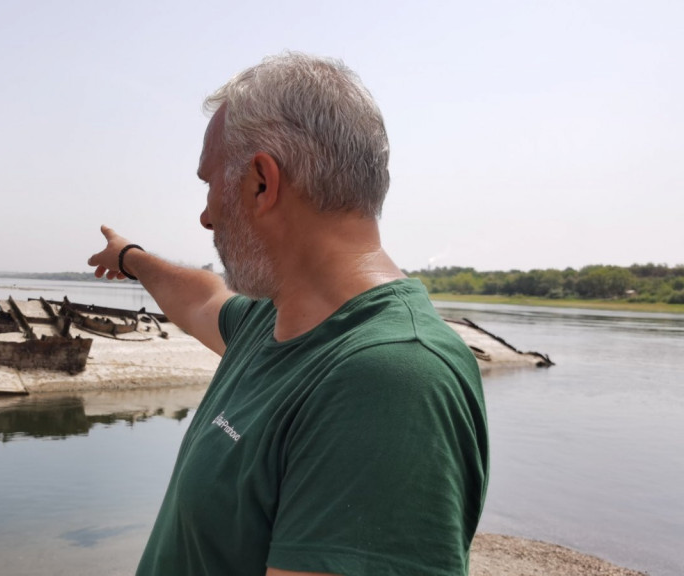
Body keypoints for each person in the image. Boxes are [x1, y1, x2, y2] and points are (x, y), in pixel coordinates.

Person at [88, 52, 488, 576]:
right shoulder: (271, 322)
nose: (206, 216)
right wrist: (130, 258)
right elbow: (200, 299)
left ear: (261, 182)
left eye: (210, 184)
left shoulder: (390, 381)